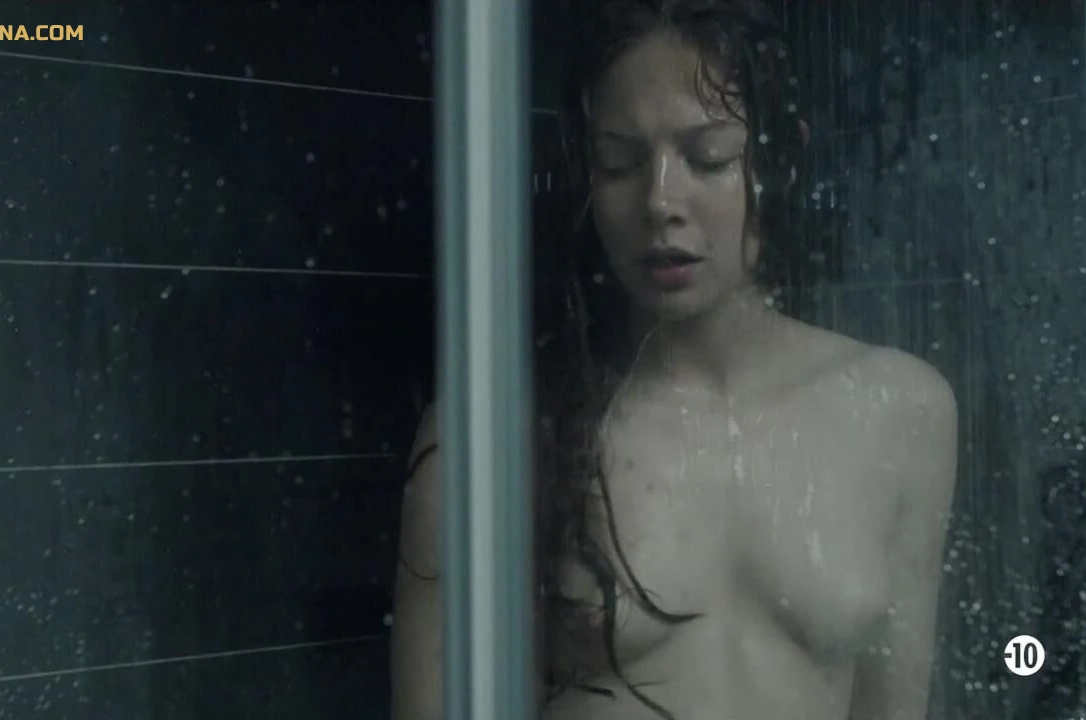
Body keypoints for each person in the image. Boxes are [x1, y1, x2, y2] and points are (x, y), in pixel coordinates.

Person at [392, 1, 958, 718]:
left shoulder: (900, 411)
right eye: (620, 163)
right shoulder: (494, 441)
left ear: (781, 162)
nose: (660, 201)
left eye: (709, 158)